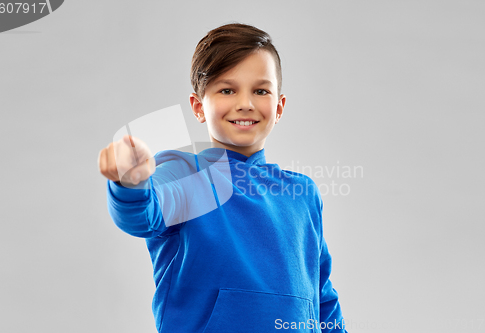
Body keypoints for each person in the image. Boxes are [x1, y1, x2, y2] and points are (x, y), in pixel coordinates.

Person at [98, 22, 348, 333]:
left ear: (279, 106)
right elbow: (142, 214)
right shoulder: (185, 174)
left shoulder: (303, 193)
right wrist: (131, 182)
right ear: (198, 106)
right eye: (227, 90)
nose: (245, 103)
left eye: (261, 90)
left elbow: (322, 300)